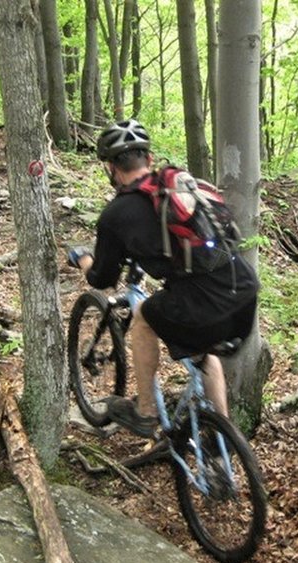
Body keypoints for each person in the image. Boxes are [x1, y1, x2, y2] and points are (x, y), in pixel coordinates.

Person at [68, 119, 259, 438]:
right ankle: (223, 432)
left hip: (203, 304)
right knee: (202, 353)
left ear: (111, 168)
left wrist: (84, 259)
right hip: (243, 293)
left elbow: (102, 278)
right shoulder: (182, 188)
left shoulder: (117, 214)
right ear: (150, 160)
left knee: (143, 317)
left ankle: (145, 412)